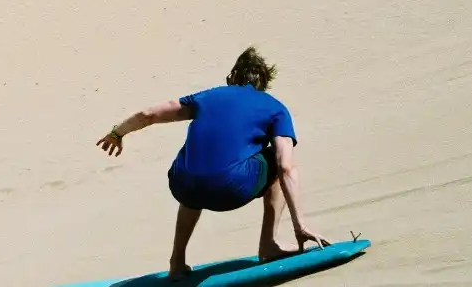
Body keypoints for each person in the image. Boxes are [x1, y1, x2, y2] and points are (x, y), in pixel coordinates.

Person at [95, 47, 331, 281]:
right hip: (230, 189)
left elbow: (149, 114)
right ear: (264, 83)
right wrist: (300, 226)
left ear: (232, 76)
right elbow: (285, 166)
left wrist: (117, 133)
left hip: (182, 186)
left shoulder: (207, 96)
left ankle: (177, 261)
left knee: (196, 164)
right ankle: (269, 243)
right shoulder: (275, 107)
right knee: (275, 161)